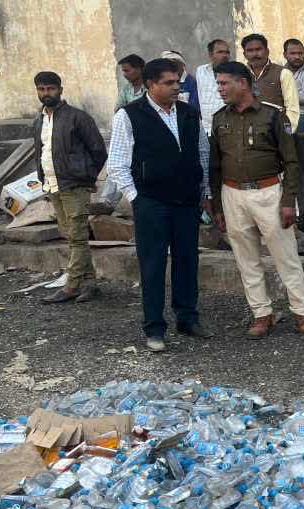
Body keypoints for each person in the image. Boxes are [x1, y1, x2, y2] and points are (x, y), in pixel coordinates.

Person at [107, 58, 212, 352]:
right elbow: (116, 163)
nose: (176, 87)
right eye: (169, 83)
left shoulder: (190, 114)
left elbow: (202, 154)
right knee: (152, 265)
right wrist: (135, 197)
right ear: (151, 84)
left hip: (187, 201)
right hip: (151, 202)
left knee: (188, 260)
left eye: (178, 81)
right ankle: (154, 328)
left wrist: (205, 194)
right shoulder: (129, 115)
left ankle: (188, 318)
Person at [209, 62, 304, 339]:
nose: (220, 89)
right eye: (218, 83)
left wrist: (288, 201)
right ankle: (261, 314)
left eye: (224, 83)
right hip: (232, 193)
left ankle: (302, 313)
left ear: (242, 83)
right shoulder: (219, 118)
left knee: (286, 257)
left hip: (268, 192)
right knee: (247, 259)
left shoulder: (272, 116)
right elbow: (215, 165)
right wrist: (217, 207)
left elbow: (291, 162)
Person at [31, 71, 107, 304]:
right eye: (42, 89)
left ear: (60, 90)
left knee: (77, 237)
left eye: (50, 89)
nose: (46, 94)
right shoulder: (39, 120)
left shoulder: (78, 117)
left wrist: (86, 176)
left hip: (74, 185)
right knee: (70, 235)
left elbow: (98, 151)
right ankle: (90, 284)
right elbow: (41, 152)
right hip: (53, 185)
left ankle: (72, 286)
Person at [94, 54, 145, 214]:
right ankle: (106, 202)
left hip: (144, 135)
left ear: (139, 69)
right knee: (116, 164)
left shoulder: (150, 87)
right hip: (128, 134)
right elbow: (118, 111)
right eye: (123, 71)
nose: (125, 74)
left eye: (127, 70)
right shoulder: (127, 90)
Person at [241, 34, 300, 130]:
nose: (255, 54)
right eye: (250, 51)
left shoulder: (284, 73)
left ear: (267, 51)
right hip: (248, 130)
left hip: (275, 129)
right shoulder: (240, 75)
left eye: (258, 49)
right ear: (244, 54)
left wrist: (287, 133)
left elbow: (292, 109)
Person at [195, 39, 232, 135]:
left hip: (229, 127)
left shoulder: (235, 72)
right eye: (220, 52)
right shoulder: (201, 71)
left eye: (227, 52)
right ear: (211, 55)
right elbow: (200, 95)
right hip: (206, 128)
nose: (224, 55)